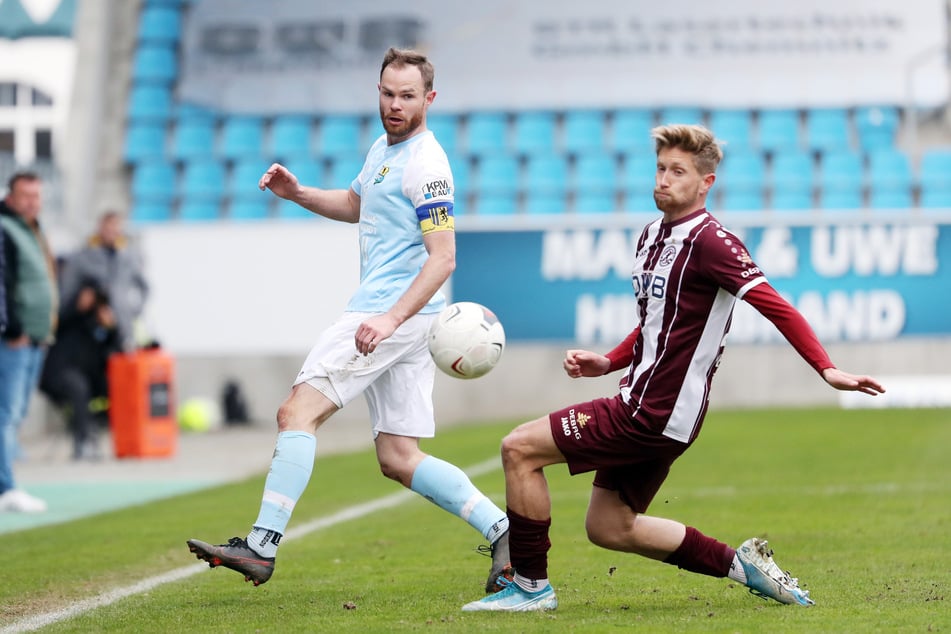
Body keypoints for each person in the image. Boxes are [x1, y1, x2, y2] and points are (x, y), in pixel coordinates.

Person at [462, 124, 886, 612]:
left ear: (706, 183)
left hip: (651, 411)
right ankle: (742, 566)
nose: (663, 179)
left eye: (677, 171)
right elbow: (652, 326)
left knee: (518, 449)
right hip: (655, 409)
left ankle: (530, 587)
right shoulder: (650, 236)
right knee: (609, 526)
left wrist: (825, 368)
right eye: (660, 168)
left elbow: (776, 306)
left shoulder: (714, 243)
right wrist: (609, 360)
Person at [187, 47, 512, 593]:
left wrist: (388, 319)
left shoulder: (428, 165)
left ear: (429, 99)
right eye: (387, 93)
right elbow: (357, 203)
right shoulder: (384, 149)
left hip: (386, 314)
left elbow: (445, 257)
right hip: (406, 318)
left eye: (407, 96)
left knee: (296, 412)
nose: (394, 104)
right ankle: (503, 531)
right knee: (399, 456)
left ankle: (261, 547)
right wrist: (298, 193)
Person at [0, 171, 57, 513]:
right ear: (11, 195)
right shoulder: (5, 228)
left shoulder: (32, 227)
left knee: (16, 413)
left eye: (37, 196)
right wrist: (12, 328)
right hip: (15, 337)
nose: (32, 202)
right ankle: (6, 487)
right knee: (7, 414)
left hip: (36, 336)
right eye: (26, 196)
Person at [40, 279, 121, 461]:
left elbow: (113, 353)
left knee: (113, 386)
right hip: (57, 375)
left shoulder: (98, 323)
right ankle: (82, 443)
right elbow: (55, 325)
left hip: (89, 378)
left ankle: (121, 438)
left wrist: (112, 329)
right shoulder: (69, 316)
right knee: (78, 386)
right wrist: (78, 308)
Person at [58, 211, 149, 352]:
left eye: (115, 228)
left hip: (123, 327)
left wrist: (132, 311)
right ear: (99, 229)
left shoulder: (129, 258)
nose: (111, 233)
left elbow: (144, 288)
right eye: (108, 228)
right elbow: (68, 292)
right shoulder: (83, 258)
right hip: (90, 328)